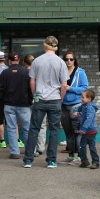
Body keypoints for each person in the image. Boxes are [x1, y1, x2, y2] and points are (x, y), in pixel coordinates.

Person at [23, 36, 68, 169]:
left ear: (44, 46)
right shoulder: (61, 62)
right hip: (55, 99)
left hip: (40, 99)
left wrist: (35, 95)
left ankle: (28, 160)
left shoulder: (36, 61)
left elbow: (32, 81)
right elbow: (64, 85)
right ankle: (51, 161)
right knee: (54, 130)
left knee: (34, 130)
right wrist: (61, 98)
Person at [0, 52, 33, 159]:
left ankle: (15, 152)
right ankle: (30, 151)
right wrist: (29, 101)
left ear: (9, 61)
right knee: (27, 129)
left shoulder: (5, 73)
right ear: (19, 60)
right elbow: (31, 89)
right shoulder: (26, 72)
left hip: (9, 105)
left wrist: (3, 102)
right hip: (24, 105)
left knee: (11, 128)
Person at [60, 50, 89, 163]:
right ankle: (71, 154)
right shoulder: (61, 72)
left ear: (74, 60)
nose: (69, 61)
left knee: (77, 131)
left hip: (76, 105)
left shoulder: (80, 72)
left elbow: (85, 88)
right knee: (68, 132)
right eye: (66, 59)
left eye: (71, 59)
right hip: (63, 105)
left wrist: (70, 88)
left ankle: (80, 155)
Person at [24, 54, 46, 157]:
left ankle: (32, 148)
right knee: (42, 124)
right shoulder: (41, 72)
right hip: (42, 99)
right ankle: (40, 147)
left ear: (24, 63)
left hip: (28, 102)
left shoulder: (24, 73)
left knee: (31, 126)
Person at [76, 89, 100, 169]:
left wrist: (83, 128)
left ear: (89, 99)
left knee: (92, 147)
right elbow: (79, 108)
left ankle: (96, 162)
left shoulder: (90, 108)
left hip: (91, 131)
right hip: (85, 132)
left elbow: (89, 119)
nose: (81, 99)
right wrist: (75, 111)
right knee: (82, 147)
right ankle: (84, 161)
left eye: (83, 97)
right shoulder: (84, 105)